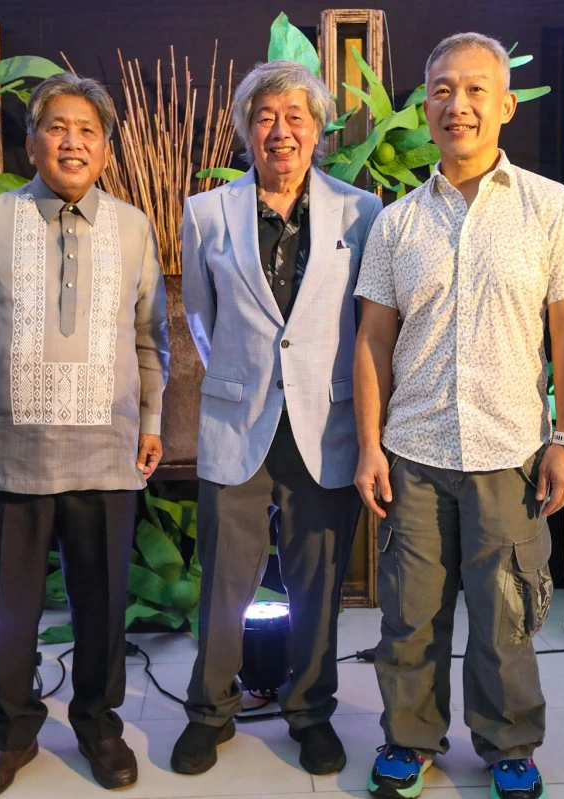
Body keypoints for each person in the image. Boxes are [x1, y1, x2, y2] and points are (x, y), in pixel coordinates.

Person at [353, 33, 564, 799]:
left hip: (510, 452)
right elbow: (373, 339)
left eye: (473, 90)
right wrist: (369, 446)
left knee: (506, 617)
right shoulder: (396, 223)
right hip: (415, 452)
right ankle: (410, 739)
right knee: (410, 615)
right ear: (425, 106)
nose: (456, 105)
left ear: (505, 105)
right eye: (441, 90)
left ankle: (509, 744)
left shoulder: (549, 208)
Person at [0, 72, 170, 797]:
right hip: (12, 449)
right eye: (57, 127)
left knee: (102, 603)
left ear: (105, 149)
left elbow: (150, 337)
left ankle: (98, 725)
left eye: (87, 131)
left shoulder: (132, 226)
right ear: (33, 142)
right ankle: (11, 733)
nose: (73, 142)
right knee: (12, 606)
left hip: (107, 448)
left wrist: (152, 421)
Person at [172, 59, 383, 777]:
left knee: (318, 582)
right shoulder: (206, 213)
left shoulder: (362, 212)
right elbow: (201, 318)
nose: (281, 131)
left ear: (318, 130)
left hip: (327, 423)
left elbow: (368, 324)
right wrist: (244, 378)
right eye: (265, 117)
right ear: (245, 130)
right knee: (223, 583)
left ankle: (310, 712)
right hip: (239, 422)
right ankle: (209, 711)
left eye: (296, 117)